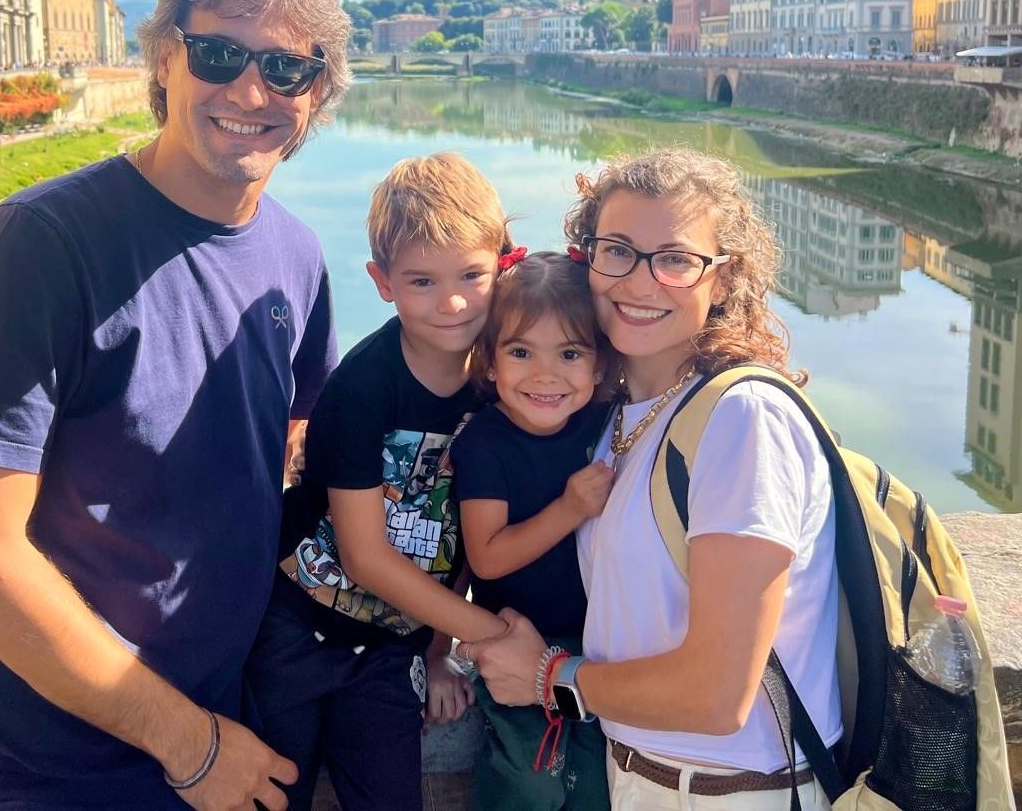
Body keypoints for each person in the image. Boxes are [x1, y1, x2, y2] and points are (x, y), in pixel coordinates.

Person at [0, 0, 352, 811]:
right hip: (32, 774)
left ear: (318, 91)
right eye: (218, 53)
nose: (251, 89)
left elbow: (292, 434)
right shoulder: (42, 243)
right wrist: (193, 746)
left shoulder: (295, 255)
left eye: (287, 69)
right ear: (164, 59)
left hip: (204, 742)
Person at [469, 149, 840, 810]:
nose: (641, 284)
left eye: (675, 260)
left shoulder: (741, 418)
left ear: (722, 280)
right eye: (619, 251)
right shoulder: (619, 418)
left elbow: (718, 694)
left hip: (732, 792)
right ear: (588, 262)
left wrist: (549, 677)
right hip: (639, 776)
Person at [245, 152, 517, 811]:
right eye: (421, 280)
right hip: (299, 628)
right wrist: (495, 638)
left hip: (393, 652)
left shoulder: (502, 384)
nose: (451, 302)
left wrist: (441, 648)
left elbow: (458, 534)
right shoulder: (364, 388)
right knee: (274, 794)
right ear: (381, 281)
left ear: (505, 266)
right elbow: (365, 555)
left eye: (472, 276)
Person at [450, 250, 614, 810]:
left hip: (600, 645)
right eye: (521, 351)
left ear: (599, 366)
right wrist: (569, 508)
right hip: (515, 640)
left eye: (569, 353)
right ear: (490, 362)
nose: (545, 375)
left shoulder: (605, 419)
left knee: (595, 785)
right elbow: (488, 558)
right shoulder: (485, 444)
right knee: (529, 777)